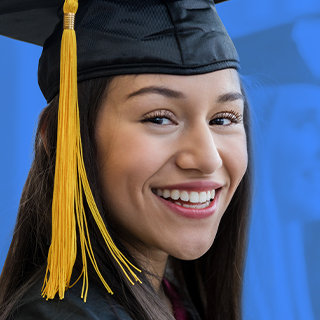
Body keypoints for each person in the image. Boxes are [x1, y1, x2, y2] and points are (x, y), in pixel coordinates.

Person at [0, 0, 252, 319]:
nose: (207, 159)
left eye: (224, 118)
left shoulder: (172, 302)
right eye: (159, 119)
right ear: (63, 136)